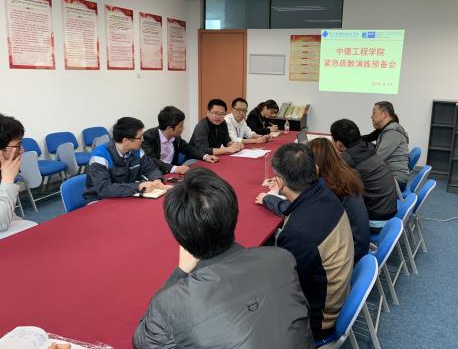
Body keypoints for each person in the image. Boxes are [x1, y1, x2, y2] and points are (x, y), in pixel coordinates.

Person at [133, 168, 314, 349]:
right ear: (234, 215)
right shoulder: (282, 258)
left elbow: (142, 342)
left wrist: (180, 271)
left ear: (180, 237)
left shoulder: (169, 304)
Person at [255, 143, 353, 340]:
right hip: (333, 293)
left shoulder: (299, 233)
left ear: (279, 182)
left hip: (316, 320)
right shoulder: (325, 194)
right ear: (315, 170)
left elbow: (284, 289)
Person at [257, 138, 370, 264]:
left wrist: (272, 198)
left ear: (316, 168)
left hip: (351, 255)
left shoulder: (296, 232)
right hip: (350, 248)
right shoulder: (333, 186)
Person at [330, 119, 397, 234]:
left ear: (339, 144)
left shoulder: (348, 159)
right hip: (390, 213)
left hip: (376, 221)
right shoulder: (368, 147)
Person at [84, 117, 165, 202]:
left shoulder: (136, 150)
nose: (142, 140)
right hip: (99, 200)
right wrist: (138, 186)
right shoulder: (100, 156)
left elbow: (151, 169)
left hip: (125, 195)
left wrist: (157, 179)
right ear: (125, 140)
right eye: (140, 137)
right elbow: (104, 189)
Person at [142, 106, 218, 175]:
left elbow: (188, 149)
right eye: (181, 126)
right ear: (169, 128)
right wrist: (175, 169)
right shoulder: (148, 137)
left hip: (173, 173)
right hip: (155, 175)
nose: (183, 128)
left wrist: (205, 156)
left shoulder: (175, 137)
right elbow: (152, 160)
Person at [363, 101, 410, 189]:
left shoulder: (392, 132)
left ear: (384, 114)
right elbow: (368, 139)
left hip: (395, 180)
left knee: (353, 183)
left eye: (374, 112)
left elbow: (377, 159)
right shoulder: (387, 129)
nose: (371, 116)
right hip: (388, 175)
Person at [0, 114, 24, 232]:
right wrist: (7, 181)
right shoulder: (6, 177)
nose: (22, 150)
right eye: (18, 145)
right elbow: (1, 223)